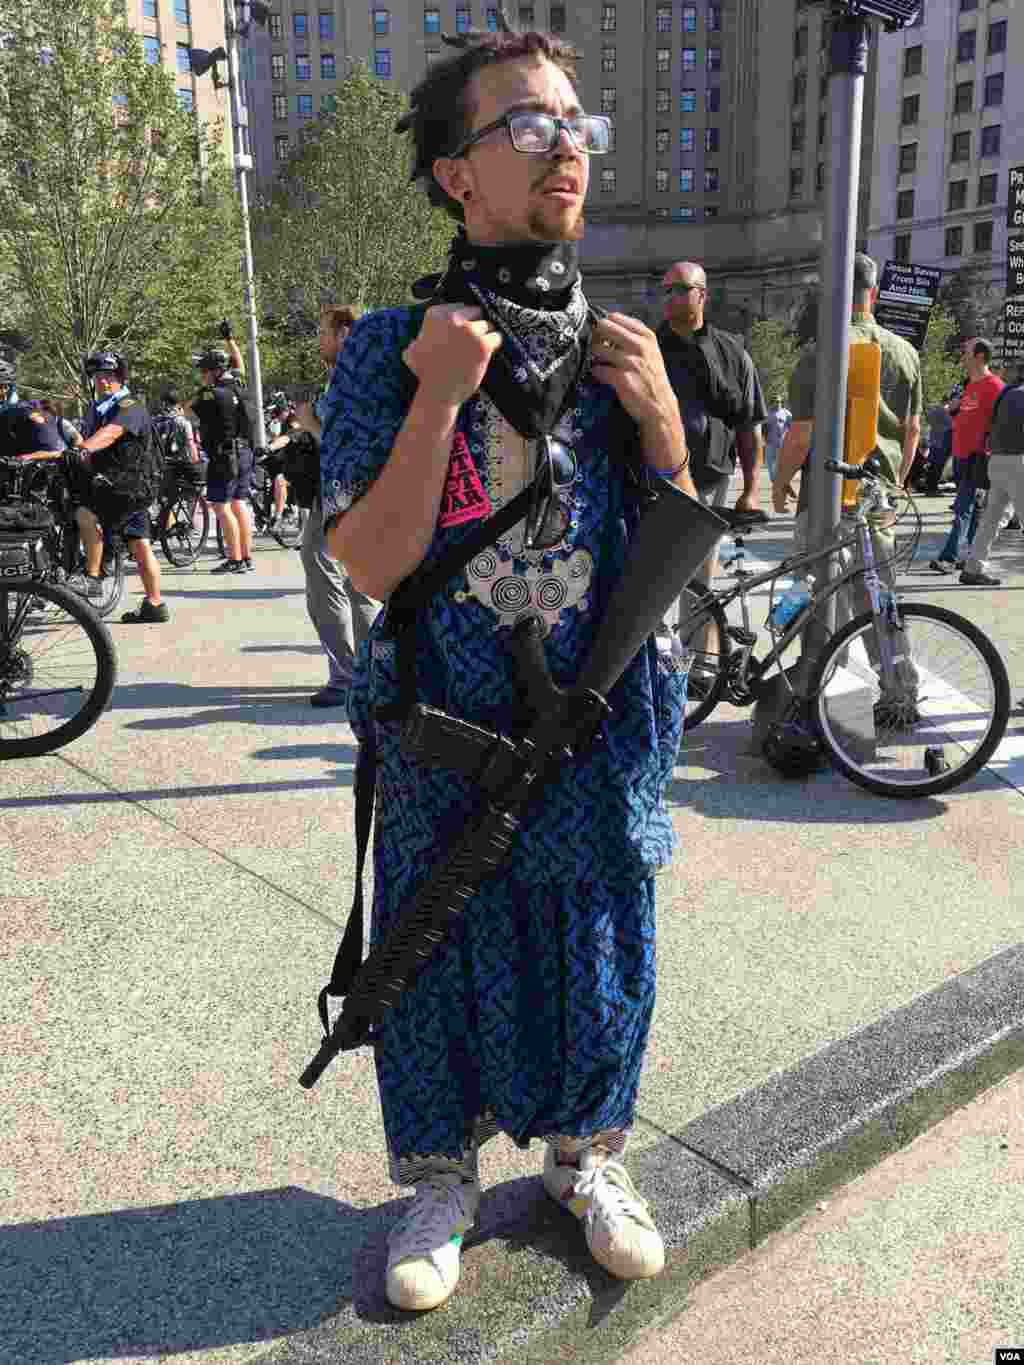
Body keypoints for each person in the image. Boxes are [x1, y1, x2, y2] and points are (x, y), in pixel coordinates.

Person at [319, 17, 698, 1314]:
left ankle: (590, 1158)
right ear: (455, 174)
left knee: (600, 934)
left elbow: (678, 549)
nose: (565, 151)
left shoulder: (625, 353)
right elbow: (368, 563)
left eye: (574, 126)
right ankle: (439, 1180)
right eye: (527, 126)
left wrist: (662, 430)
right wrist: (437, 397)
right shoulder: (385, 348)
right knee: (433, 943)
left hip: (592, 721)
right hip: (445, 726)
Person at [773, 253, 921, 696]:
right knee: (881, 597)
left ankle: (814, 688)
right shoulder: (905, 351)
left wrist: (780, 482)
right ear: (872, 293)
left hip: (824, 496)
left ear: (833, 294)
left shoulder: (820, 353)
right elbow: (913, 431)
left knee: (811, 593)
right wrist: (896, 481)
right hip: (878, 499)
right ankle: (900, 691)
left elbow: (800, 435)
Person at [19, 351, 168, 621]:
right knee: (139, 543)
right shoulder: (95, 409)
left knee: (86, 515)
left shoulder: (129, 405)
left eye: (109, 376)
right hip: (121, 484)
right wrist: (50, 455)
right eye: (98, 376)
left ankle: (94, 577)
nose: (103, 381)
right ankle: (155, 605)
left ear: (120, 377)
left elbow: (110, 434)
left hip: (129, 485)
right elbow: (82, 443)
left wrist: (83, 449)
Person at [290, 304, 380, 709]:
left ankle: (348, 675)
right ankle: (369, 672)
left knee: (327, 570)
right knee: (360, 581)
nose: (319, 342)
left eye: (323, 333)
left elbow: (342, 443)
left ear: (344, 334)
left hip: (345, 489)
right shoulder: (368, 370)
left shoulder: (349, 377)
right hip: (360, 488)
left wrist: (308, 422)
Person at [656, 261, 768, 552]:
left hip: (712, 481)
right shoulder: (649, 349)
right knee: (660, 580)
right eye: (665, 290)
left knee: (702, 572)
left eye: (679, 289)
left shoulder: (733, 353)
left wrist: (751, 491)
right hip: (657, 486)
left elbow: (749, 425)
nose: (669, 297)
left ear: (702, 296)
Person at [930, 339, 1004, 577]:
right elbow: (964, 418)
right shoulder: (970, 386)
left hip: (978, 457)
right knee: (973, 509)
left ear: (980, 357)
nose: (963, 357)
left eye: (967, 353)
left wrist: (987, 450)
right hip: (961, 455)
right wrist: (950, 411)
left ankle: (948, 558)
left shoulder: (994, 386)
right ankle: (971, 555)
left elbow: (999, 423)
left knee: (963, 507)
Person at [185, 328, 256, 574]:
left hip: (225, 456)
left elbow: (187, 412)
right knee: (239, 503)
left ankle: (235, 559)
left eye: (203, 371)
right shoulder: (238, 382)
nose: (201, 376)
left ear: (213, 372)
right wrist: (230, 340)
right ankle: (246, 556)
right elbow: (239, 364)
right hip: (245, 451)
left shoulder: (210, 394)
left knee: (221, 506)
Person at [959, 371, 1024, 586]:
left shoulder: (1006, 393)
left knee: (991, 520)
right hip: (1018, 462)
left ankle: (973, 568)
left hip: (996, 461)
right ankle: (973, 568)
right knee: (995, 518)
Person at [763, 393, 792, 487]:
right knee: (769, 464)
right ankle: (774, 481)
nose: (777, 403)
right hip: (770, 443)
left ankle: (779, 483)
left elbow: (792, 427)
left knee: (780, 465)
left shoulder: (787, 414)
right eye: (775, 401)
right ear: (772, 403)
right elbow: (763, 428)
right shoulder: (767, 414)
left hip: (782, 444)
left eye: (779, 401)